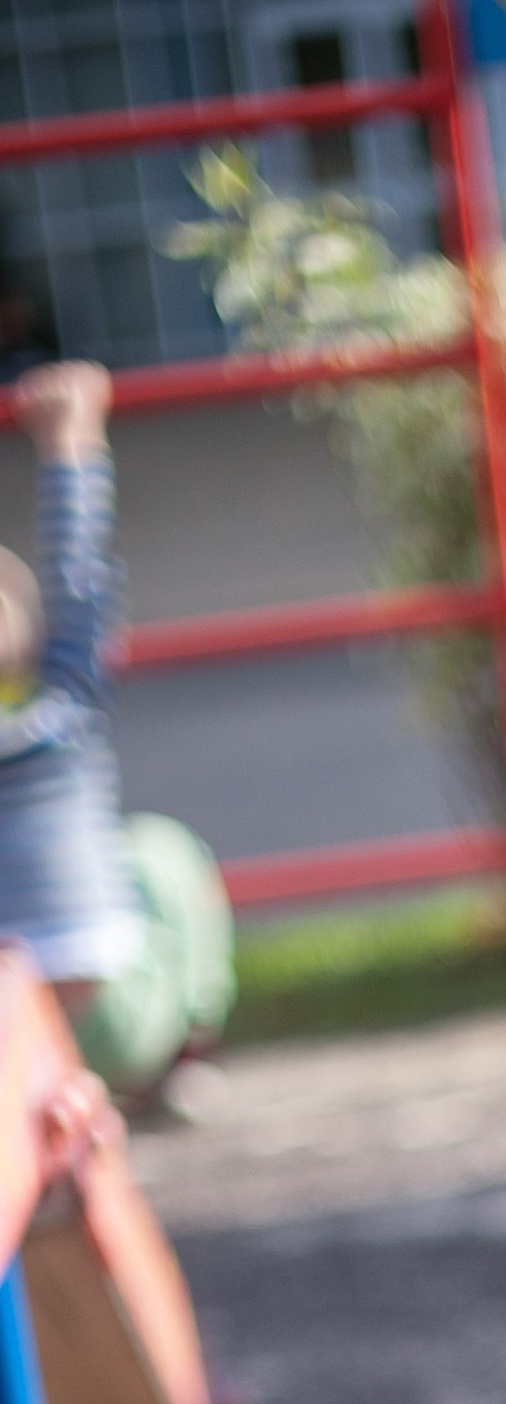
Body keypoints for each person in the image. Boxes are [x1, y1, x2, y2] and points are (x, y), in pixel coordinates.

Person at [0, 360, 234, 1103]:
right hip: (108, 1019)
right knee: (159, 853)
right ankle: (187, 1056)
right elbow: (78, 577)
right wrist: (73, 438)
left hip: (11, 1038)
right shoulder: (64, 712)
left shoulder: (61, 712)